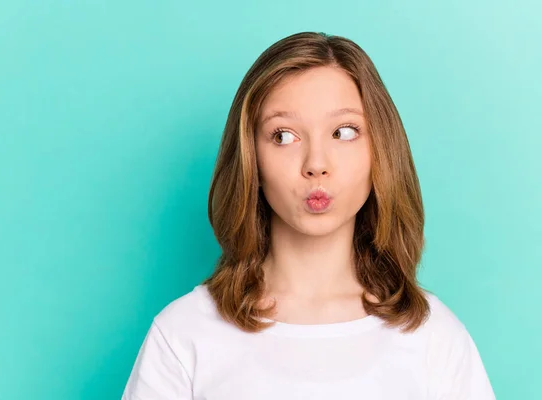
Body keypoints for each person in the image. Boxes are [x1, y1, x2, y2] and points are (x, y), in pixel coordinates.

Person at [121, 31, 496, 399]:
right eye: (283, 136)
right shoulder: (183, 336)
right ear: (252, 159)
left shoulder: (435, 339)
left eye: (344, 132)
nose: (316, 164)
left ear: (380, 149)